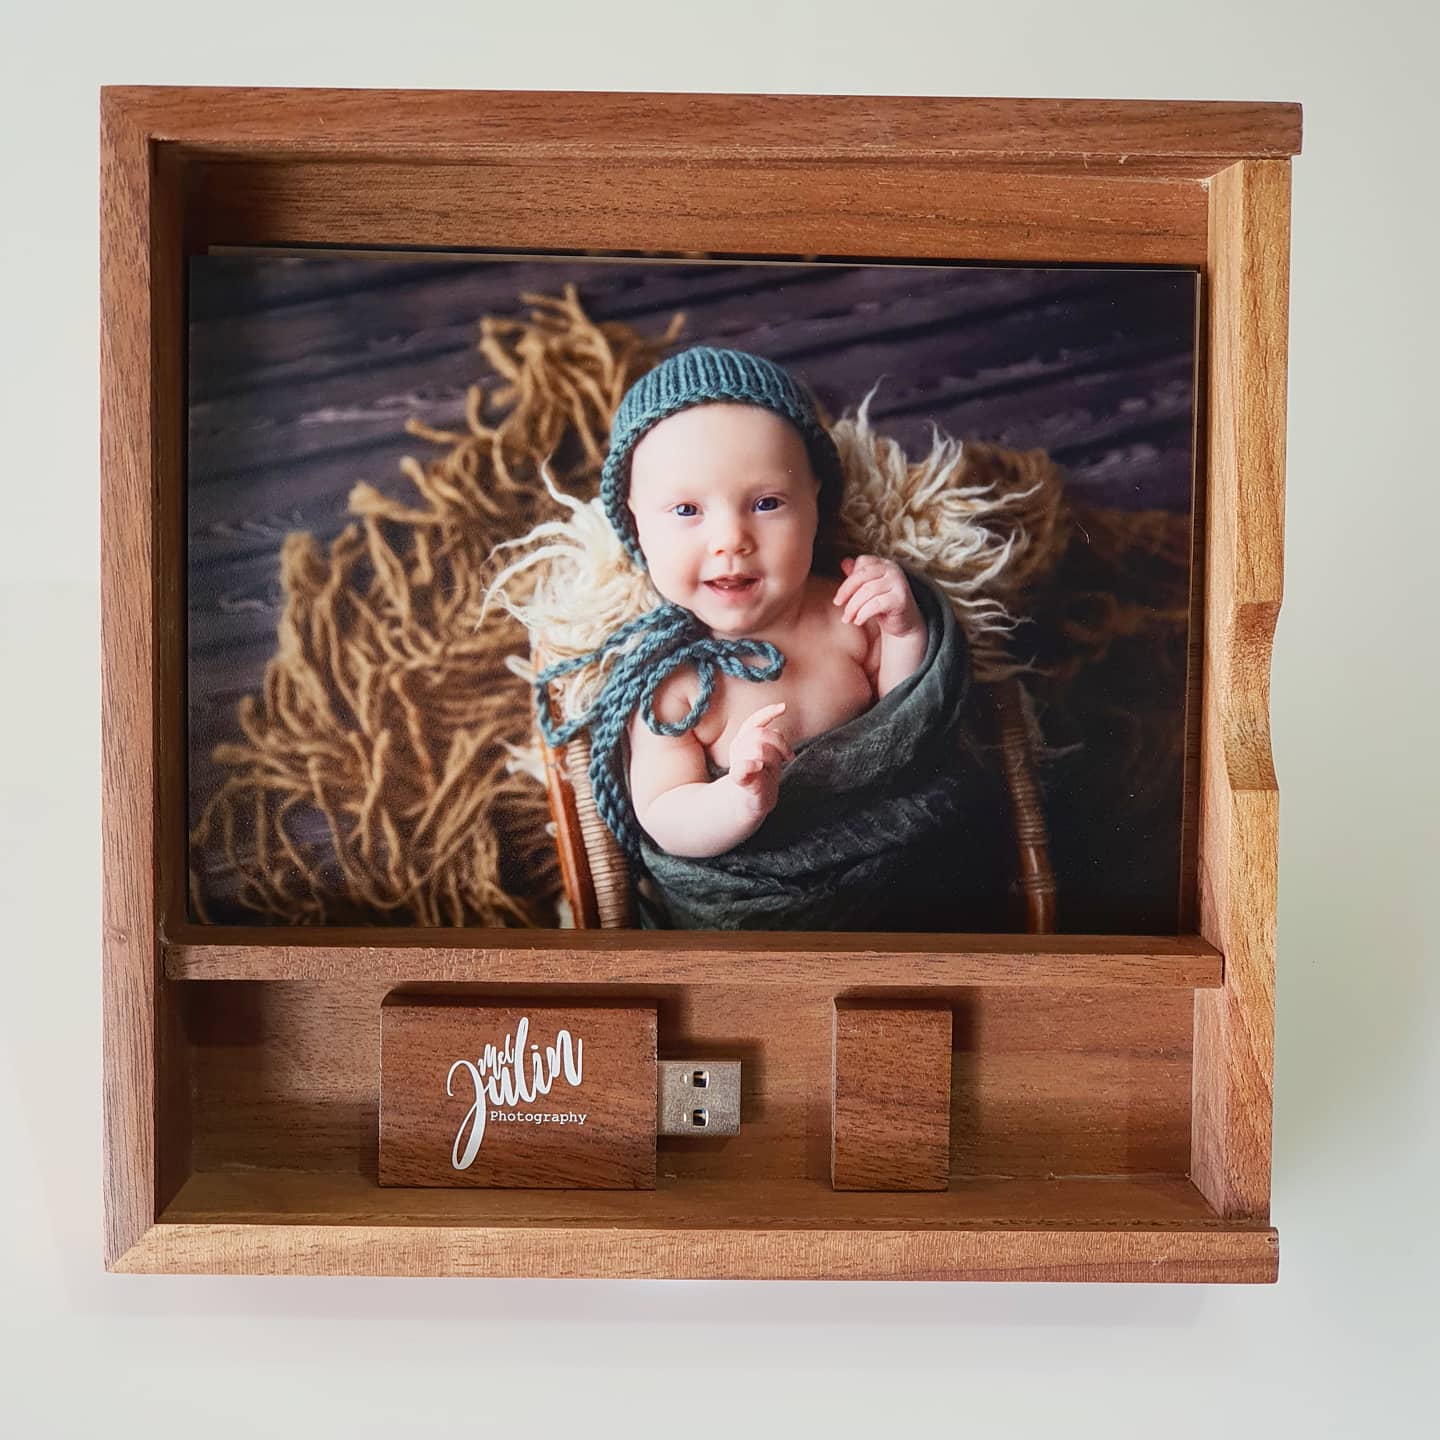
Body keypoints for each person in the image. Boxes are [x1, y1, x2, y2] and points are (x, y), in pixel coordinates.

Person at [536, 345, 1006, 929]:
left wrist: (903, 627)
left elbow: (908, 716)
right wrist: (737, 801)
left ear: (816, 504)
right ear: (636, 525)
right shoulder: (674, 685)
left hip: (908, 875)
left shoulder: (844, 606)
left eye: (766, 503)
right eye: (686, 510)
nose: (730, 538)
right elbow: (664, 813)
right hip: (774, 908)